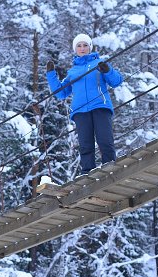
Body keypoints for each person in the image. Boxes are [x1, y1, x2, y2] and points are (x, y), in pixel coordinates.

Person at [46, 33, 123, 174]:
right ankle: (87, 173)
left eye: (85, 45)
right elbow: (61, 92)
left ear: (90, 47)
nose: (82, 48)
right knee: (85, 145)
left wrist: (107, 70)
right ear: (75, 49)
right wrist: (51, 74)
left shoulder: (99, 63)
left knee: (105, 140)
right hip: (80, 111)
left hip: (100, 106)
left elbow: (116, 81)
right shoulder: (73, 72)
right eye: (79, 46)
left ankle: (110, 167)